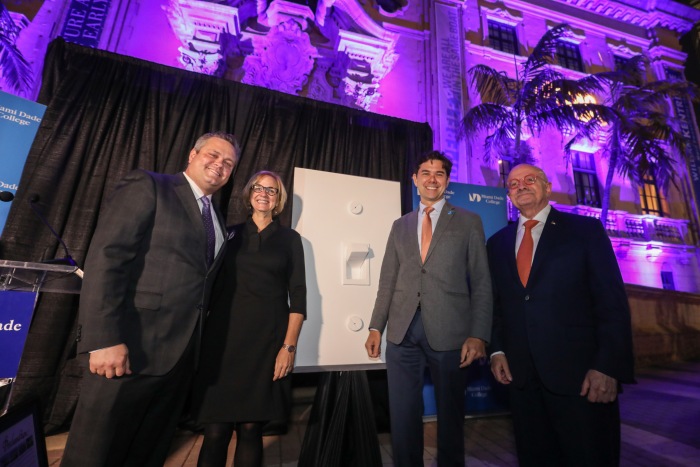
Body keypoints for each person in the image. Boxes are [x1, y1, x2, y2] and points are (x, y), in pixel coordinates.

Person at [61, 132, 239, 467]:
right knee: (95, 454)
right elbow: (107, 259)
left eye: (228, 163)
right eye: (213, 155)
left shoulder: (217, 217)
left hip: (179, 360)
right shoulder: (150, 186)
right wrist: (104, 338)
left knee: (148, 453)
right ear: (192, 154)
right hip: (127, 349)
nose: (219, 165)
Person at [487, 163, 635, 467]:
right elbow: (496, 305)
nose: (521, 186)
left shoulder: (584, 232)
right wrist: (497, 349)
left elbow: (611, 303)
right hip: (523, 382)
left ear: (547, 187)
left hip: (582, 380)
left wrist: (607, 366)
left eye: (530, 180)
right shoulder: (497, 243)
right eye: (514, 184)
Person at [365, 151, 493, 466]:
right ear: (415, 179)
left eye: (438, 173)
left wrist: (478, 334)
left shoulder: (468, 221)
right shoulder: (400, 225)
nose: (431, 179)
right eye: (425, 172)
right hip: (401, 332)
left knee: (451, 414)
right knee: (404, 413)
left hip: (451, 334)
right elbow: (387, 280)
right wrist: (375, 326)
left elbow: (481, 281)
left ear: (447, 181)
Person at [192, 170, 306, 467]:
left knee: (251, 429)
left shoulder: (290, 239)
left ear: (278, 199)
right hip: (223, 342)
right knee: (215, 430)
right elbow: (207, 285)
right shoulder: (227, 233)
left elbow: (299, 295)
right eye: (259, 187)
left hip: (267, 343)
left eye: (272, 190)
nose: (264, 194)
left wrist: (288, 347)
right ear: (249, 193)